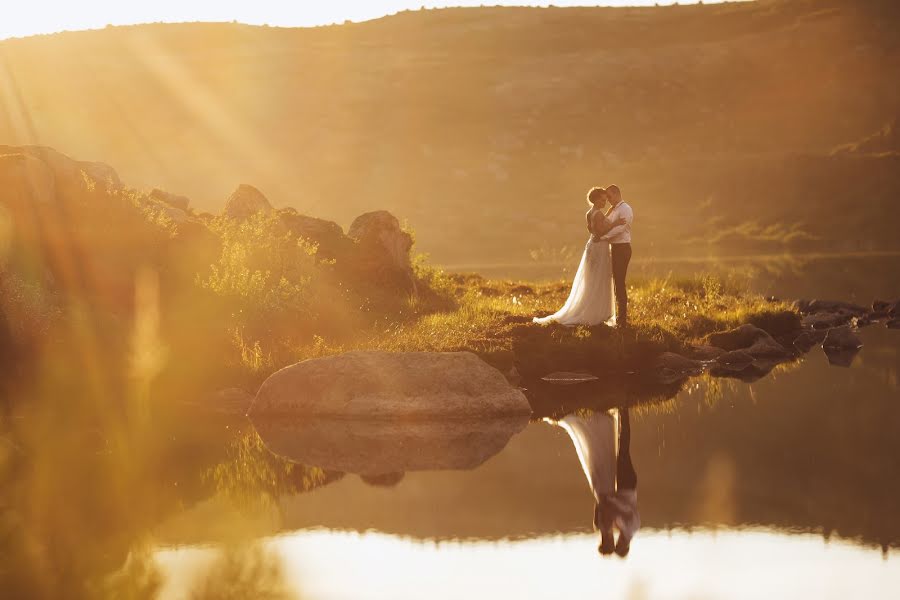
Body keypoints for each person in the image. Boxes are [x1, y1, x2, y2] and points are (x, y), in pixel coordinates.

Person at [553, 408, 640, 557]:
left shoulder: (612, 528)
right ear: (624, 545)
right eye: (619, 545)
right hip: (626, 486)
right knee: (623, 449)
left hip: (613, 488)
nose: (617, 542)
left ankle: (621, 413)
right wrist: (610, 500)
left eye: (614, 544)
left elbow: (605, 507)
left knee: (619, 450)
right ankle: (623, 413)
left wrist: (608, 500)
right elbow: (624, 508)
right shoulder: (630, 528)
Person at [533, 187, 626, 326]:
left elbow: (592, 228)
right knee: (600, 279)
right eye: (602, 200)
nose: (605, 203)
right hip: (600, 247)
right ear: (595, 200)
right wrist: (615, 223)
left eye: (605, 200)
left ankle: (593, 310)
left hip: (592, 245)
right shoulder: (598, 214)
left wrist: (607, 216)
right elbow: (601, 231)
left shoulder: (590, 213)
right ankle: (597, 313)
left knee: (592, 279)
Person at [596, 185, 633, 328]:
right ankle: (616, 317)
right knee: (614, 283)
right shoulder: (614, 209)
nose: (608, 200)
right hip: (614, 248)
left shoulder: (625, 209)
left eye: (610, 197)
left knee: (619, 283)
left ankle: (622, 320)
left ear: (617, 194)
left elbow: (621, 228)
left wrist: (604, 237)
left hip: (622, 248)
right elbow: (607, 224)